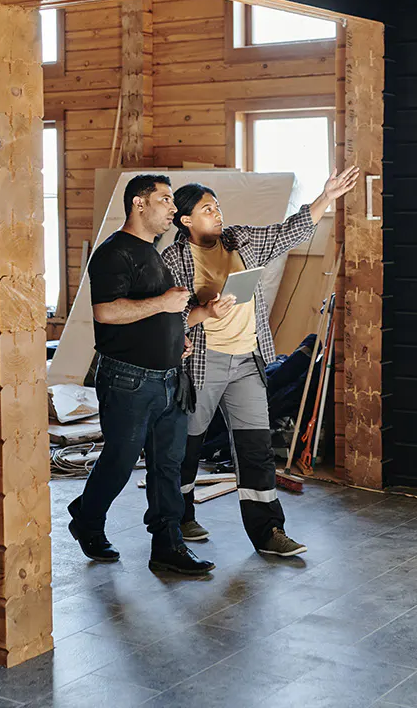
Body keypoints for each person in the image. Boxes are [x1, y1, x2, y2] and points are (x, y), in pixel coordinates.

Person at [161, 165, 361, 557]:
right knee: (187, 445)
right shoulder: (173, 260)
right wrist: (205, 310)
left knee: (255, 447)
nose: (217, 214)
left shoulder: (241, 240)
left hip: (247, 360)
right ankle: (179, 516)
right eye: (206, 209)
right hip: (202, 363)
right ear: (185, 220)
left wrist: (327, 197)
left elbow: (290, 231)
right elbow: (166, 318)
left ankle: (269, 531)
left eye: (217, 206)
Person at [66, 174, 215, 576]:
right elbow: (107, 312)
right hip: (129, 380)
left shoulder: (153, 252)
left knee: (168, 464)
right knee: (119, 460)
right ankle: (87, 519)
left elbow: (157, 314)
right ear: (138, 204)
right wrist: (165, 303)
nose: (172, 208)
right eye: (165, 200)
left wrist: (176, 338)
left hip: (169, 378)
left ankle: (167, 545)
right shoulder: (114, 253)